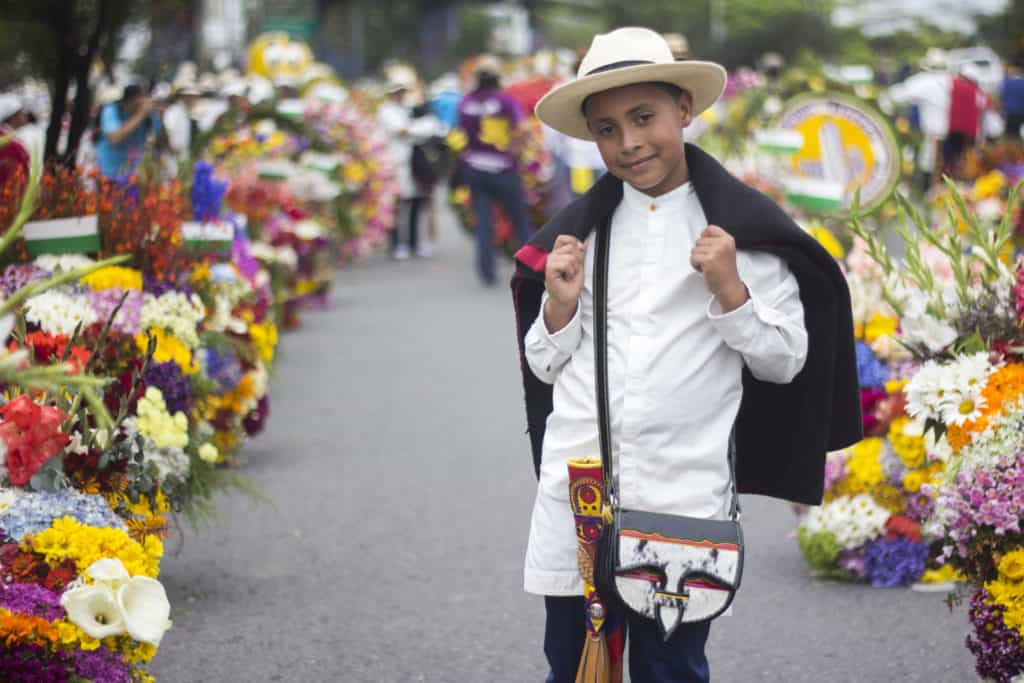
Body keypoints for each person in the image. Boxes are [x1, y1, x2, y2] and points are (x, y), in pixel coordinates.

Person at [509, 27, 861, 682]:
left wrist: (730, 289)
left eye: (644, 117)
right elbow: (544, 366)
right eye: (608, 129)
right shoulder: (579, 235)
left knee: (672, 669)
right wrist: (556, 309)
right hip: (578, 497)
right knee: (572, 667)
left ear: (684, 110)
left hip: (679, 504)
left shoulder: (739, 229)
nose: (629, 142)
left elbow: (785, 359)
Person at [457, 57, 532, 286]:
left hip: (475, 168)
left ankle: (487, 272)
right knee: (520, 220)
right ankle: (530, 270)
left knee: (483, 222)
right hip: (503, 169)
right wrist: (516, 152)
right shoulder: (506, 101)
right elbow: (523, 131)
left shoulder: (466, 103)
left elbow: (460, 134)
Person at [378, 68, 443, 260]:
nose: (400, 95)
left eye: (402, 91)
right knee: (398, 207)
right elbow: (402, 131)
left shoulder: (411, 107)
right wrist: (419, 129)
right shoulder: (386, 111)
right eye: (396, 91)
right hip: (395, 165)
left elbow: (432, 126)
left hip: (415, 164)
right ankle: (397, 244)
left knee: (416, 204)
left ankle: (415, 243)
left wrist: (416, 129)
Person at [888, 48, 951, 191]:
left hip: (933, 133)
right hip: (953, 132)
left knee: (929, 166)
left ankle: (927, 196)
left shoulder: (924, 81)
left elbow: (896, 95)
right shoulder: (951, 79)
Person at [95, 84, 165, 178]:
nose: (142, 105)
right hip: (108, 173)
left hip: (133, 175)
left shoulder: (148, 114)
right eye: (139, 102)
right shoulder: (111, 110)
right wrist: (141, 114)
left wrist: (159, 117)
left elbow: (162, 142)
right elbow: (114, 138)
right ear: (129, 100)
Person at [943, 63, 990, 179]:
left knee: (949, 157)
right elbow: (985, 106)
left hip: (951, 128)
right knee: (965, 157)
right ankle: (961, 179)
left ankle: (947, 177)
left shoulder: (952, 84)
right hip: (970, 131)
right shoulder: (978, 91)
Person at [1003, 56, 1024, 139]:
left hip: (1010, 115)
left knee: (1011, 137)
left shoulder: (1007, 83)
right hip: (1022, 113)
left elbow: (1002, 99)